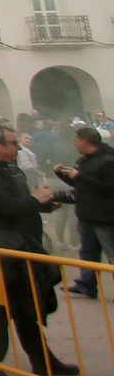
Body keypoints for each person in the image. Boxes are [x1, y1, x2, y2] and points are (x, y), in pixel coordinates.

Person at [0, 124, 78, 376]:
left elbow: (15, 200)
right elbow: (4, 206)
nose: (17, 147)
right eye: (12, 143)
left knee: (24, 304)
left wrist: (41, 203)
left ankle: (42, 360)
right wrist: (35, 200)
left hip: (14, 246)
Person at [56, 126, 114, 298]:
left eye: (76, 140)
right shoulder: (83, 160)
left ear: (85, 142)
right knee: (88, 253)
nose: (74, 144)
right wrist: (63, 175)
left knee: (112, 254)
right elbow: (81, 185)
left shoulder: (108, 161)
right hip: (86, 215)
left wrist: (79, 176)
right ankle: (86, 284)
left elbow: (109, 188)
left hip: (105, 218)